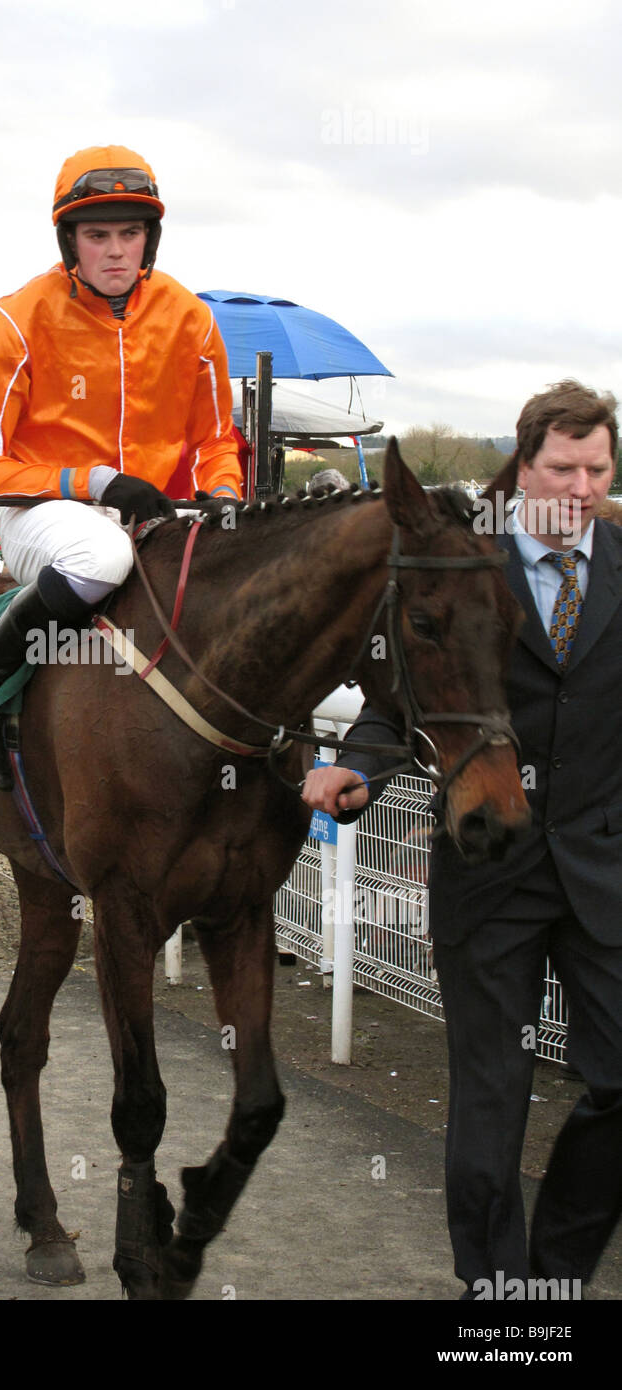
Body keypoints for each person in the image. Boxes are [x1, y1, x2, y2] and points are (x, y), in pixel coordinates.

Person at [301, 379, 622, 1298]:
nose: (579, 485)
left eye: (596, 467)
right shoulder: (464, 559)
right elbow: (407, 691)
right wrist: (358, 767)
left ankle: (553, 1275)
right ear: (522, 467)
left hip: (603, 869)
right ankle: (499, 1306)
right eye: (561, 466)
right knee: (491, 1094)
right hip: (488, 870)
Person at [0, 143, 241, 787]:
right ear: (68, 240)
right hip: (44, 517)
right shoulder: (13, 322)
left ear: (149, 239)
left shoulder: (193, 321)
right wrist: (94, 481)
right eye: (96, 234)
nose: (114, 250)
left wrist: (222, 493)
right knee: (103, 557)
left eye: (129, 234)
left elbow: (217, 439)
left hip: (157, 515)